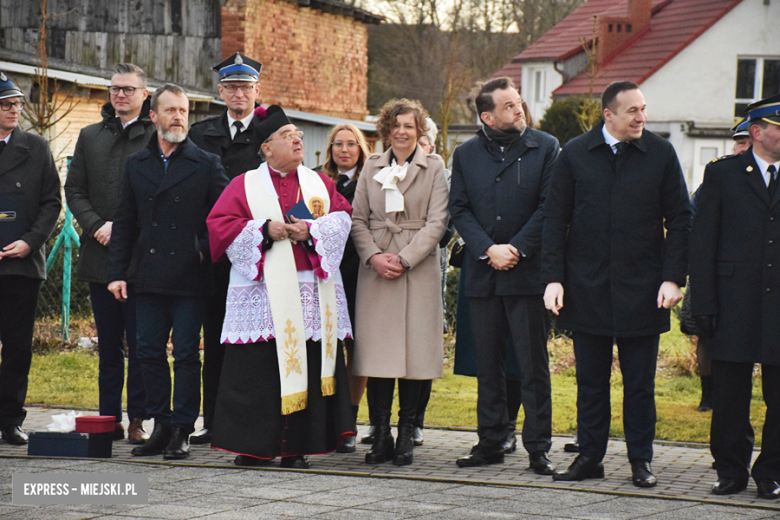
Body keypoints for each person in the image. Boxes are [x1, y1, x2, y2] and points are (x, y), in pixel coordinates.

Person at [542, 81, 690, 487]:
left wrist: (673, 277)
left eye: (643, 109)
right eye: (632, 111)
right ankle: (590, 457)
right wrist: (553, 278)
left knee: (639, 385)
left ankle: (640, 460)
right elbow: (555, 219)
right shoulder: (574, 153)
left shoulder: (660, 153)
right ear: (608, 115)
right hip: (587, 286)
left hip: (644, 289)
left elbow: (681, 218)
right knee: (590, 383)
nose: (642, 117)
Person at [206, 105, 355, 469]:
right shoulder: (244, 184)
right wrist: (263, 230)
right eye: (287, 136)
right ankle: (253, 446)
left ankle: (297, 448)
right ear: (267, 148)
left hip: (310, 289)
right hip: (263, 290)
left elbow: (343, 217)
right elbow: (219, 223)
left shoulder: (320, 183)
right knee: (258, 371)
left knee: (307, 362)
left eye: (298, 135)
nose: (297, 140)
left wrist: (313, 230)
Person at [107, 83, 229, 460]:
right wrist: (117, 272)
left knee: (188, 354)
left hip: (191, 277)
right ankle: (160, 425)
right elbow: (125, 222)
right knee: (147, 352)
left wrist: (201, 252)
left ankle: (181, 429)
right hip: (149, 275)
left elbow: (224, 218)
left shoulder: (206, 163)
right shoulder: (136, 164)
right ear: (153, 115)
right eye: (171, 110)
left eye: (184, 111)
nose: (179, 117)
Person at [449, 77, 558, 474]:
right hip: (483, 275)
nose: (519, 109)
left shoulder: (545, 147)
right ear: (488, 117)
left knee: (532, 366)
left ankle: (537, 448)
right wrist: (486, 248)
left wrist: (514, 248)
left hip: (526, 274)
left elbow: (550, 206)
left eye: (519, 102)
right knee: (488, 366)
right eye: (509, 105)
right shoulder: (466, 154)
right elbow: (459, 209)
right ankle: (491, 442)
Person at [690, 93, 780, 499]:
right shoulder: (723, 175)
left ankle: (771, 472)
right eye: (778, 128)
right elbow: (703, 244)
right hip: (733, 302)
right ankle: (731, 470)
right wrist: (704, 304)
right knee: (729, 395)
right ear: (757, 132)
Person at [351, 98, 449, 466]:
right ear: (387, 130)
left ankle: (407, 433)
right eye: (397, 125)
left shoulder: (435, 167)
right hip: (376, 270)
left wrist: (405, 258)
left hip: (417, 269)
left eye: (410, 126)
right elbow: (357, 219)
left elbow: (437, 222)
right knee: (378, 355)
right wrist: (375, 256)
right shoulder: (372, 166)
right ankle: (380, 433)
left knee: (414, 356)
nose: (403, 132)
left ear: (419, 130)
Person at [65, 63, 155, 444]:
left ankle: (137, 419)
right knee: (108, 347)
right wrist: (98, 225)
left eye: (129, 89)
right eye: (115, 89)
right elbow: (75, 191)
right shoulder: (89, 136)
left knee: (140, 346)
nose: (120, 95)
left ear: (144, 95)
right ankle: (107, 419)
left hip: (140, 259)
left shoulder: (156, 137)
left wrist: (126, 230)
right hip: (100, 255)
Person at [187, 52, 265, 446]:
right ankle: (213, 420)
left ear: (257, 90)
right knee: (216, 337)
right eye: (232, 87)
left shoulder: (272, 132)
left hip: (259, 254)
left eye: (246, 87)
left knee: (254, 342)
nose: (239, 94)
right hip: (215, 253)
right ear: (220, 91)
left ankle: (252, 421)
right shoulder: (201, 135)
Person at [0, 72, 61, 445]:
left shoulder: (35, 147)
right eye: (6, 105)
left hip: (21, 264)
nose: (14, 110)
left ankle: (10, 419)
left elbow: (52, 202)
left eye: (17, 104)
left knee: (18, 346)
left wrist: (30, 242)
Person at [319, 122, 371, 453]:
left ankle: (349, 422)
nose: (344, 150)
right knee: (327, 347)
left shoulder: (370, 182)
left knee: (357, 350)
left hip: (360, 275)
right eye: (338, 144)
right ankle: (326, 419)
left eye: (351, 144)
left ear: (361, 149)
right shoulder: (315, 181)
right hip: (323, 276)